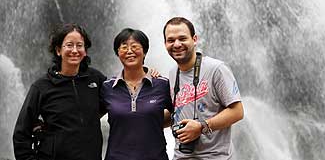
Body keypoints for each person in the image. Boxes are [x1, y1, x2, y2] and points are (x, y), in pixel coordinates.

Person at [13, 23, 107, 160]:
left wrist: (146, 76)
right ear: (58, 50)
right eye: (69, 45)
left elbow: (119, 96)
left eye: (79, 45)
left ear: (85, 51)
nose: (75, 50)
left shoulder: (96, 79)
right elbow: (21, 133)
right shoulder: (42, 87)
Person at [163, 17, 244, 160]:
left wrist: (201, 127)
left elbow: (237, 112)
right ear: (165, 44)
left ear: (194, 39)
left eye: (182, 38)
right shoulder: (172, 73)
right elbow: (175, 114)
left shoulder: (216, 69)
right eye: (171, 40)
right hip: (181, 157)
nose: (176, 44)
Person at [101, 28, 173, 160]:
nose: (129, 51)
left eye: (134, 46)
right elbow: (90, 118)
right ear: (117, 52)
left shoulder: (162, 85)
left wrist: (153, 120)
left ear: (145, 52)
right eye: (124, 47)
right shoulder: (107, 88)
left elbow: (181, 112)